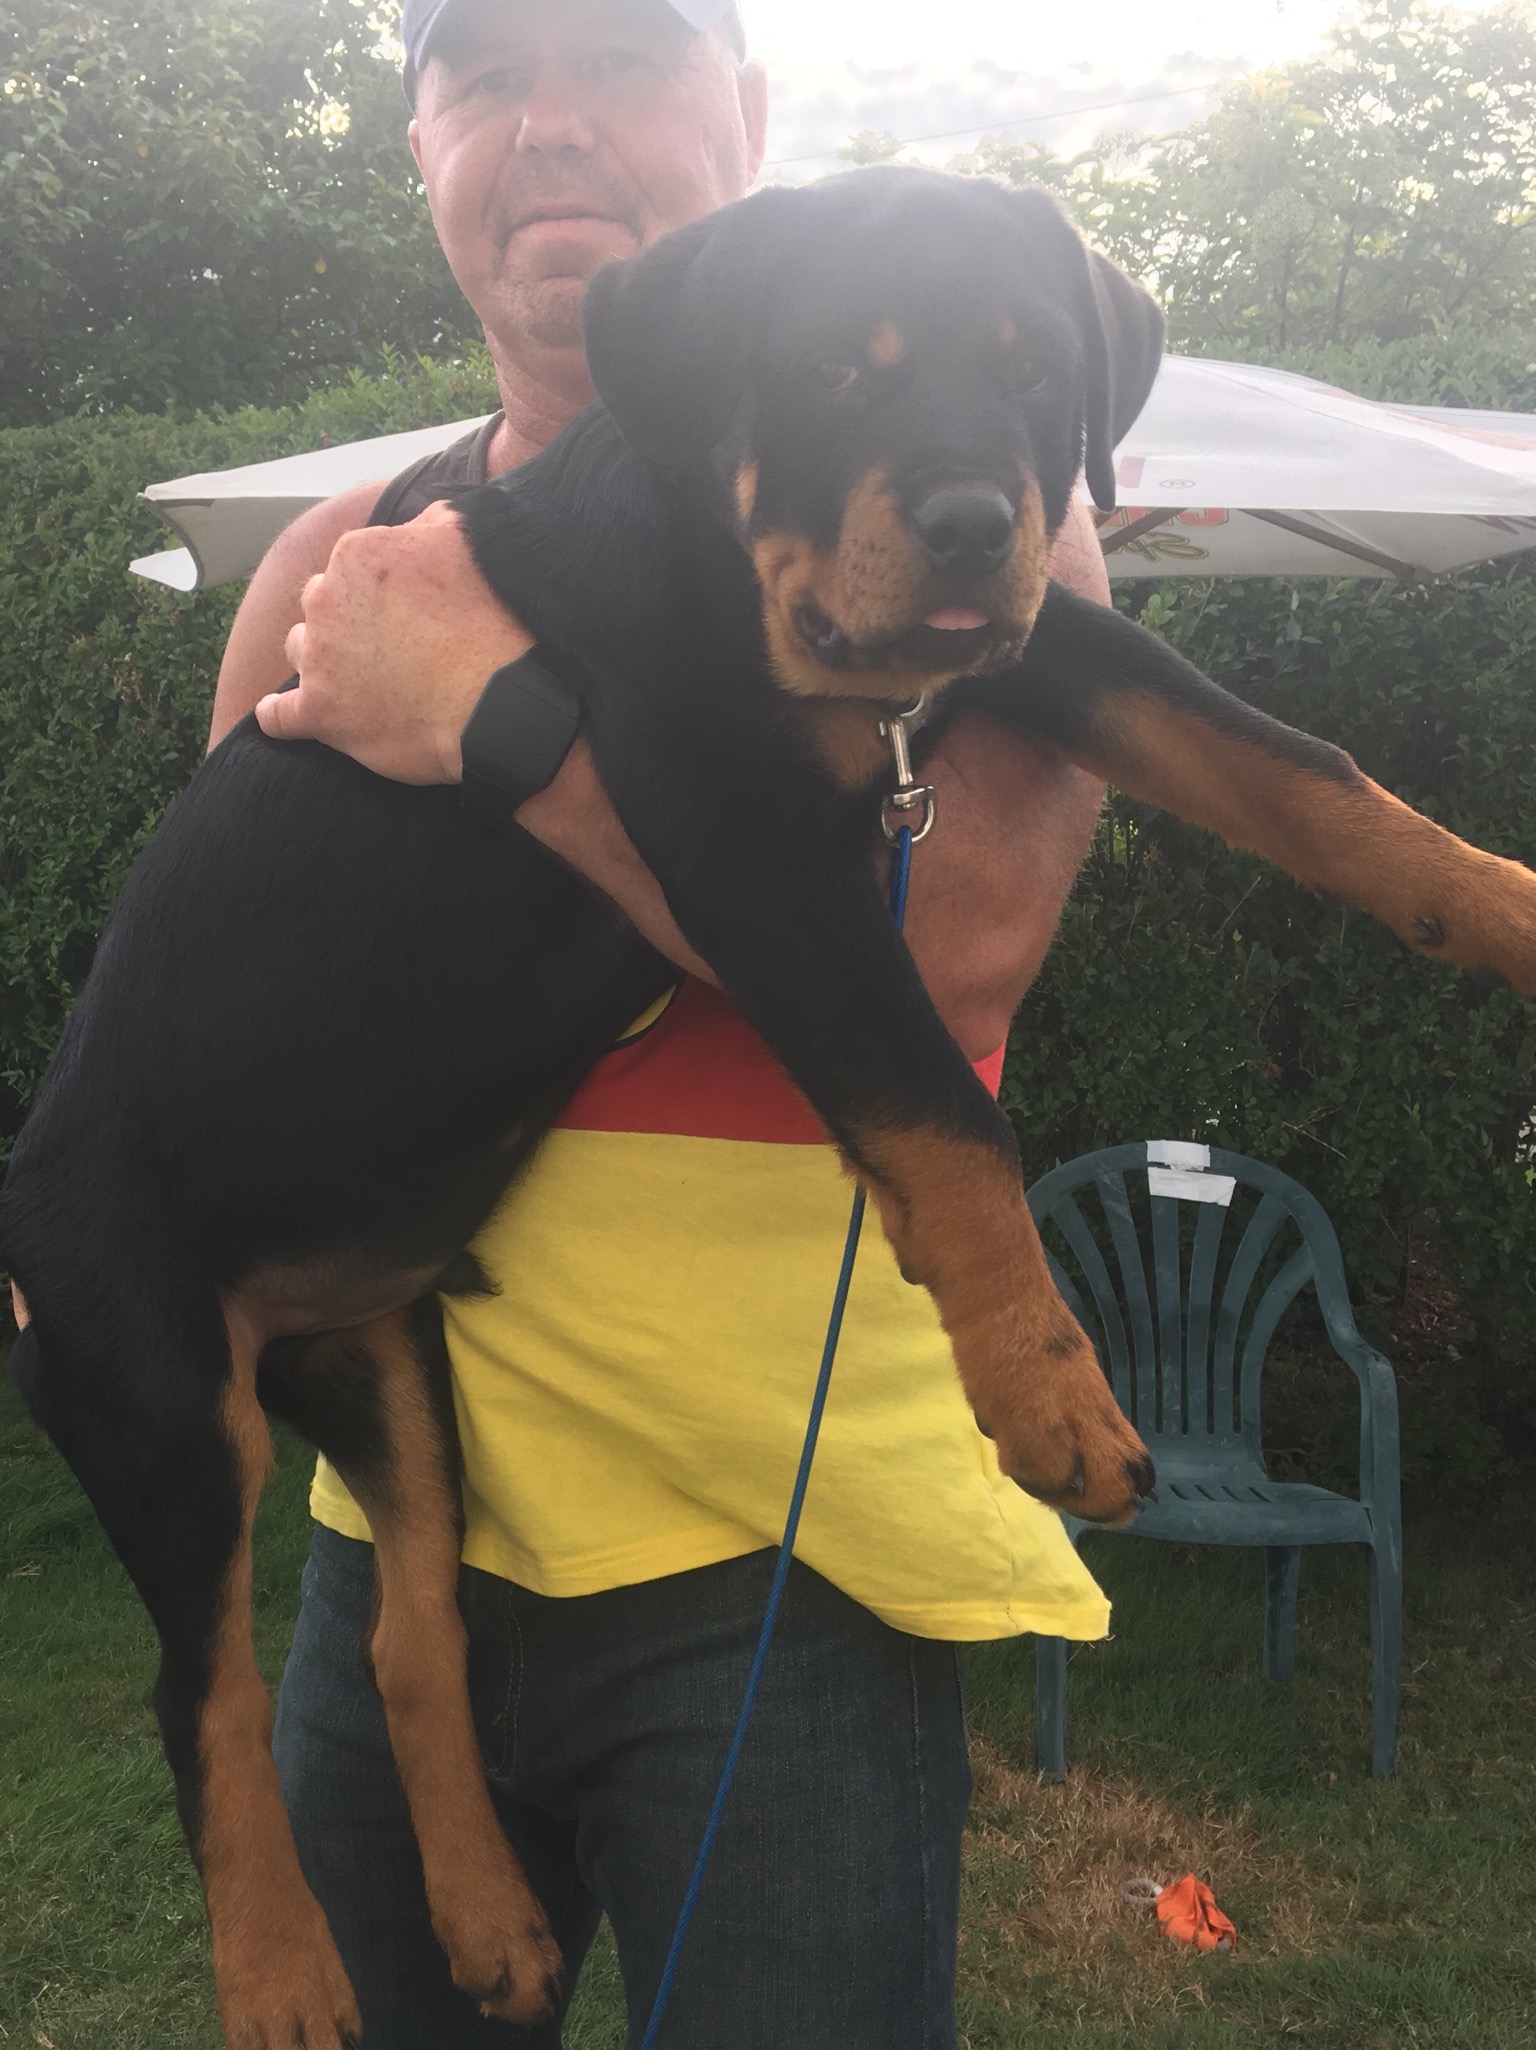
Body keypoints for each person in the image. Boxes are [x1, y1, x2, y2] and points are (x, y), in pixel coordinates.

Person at [211, 2, 1120, 2043]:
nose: (549, 122)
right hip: (399, 1556)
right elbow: (237, 1042)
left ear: (749, 115)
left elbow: (954, 948)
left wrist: (497, 727)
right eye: (480, 76)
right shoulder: (332, 570)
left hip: (783, 1572)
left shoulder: (968, 514)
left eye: (626, 54)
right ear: (421, 149)